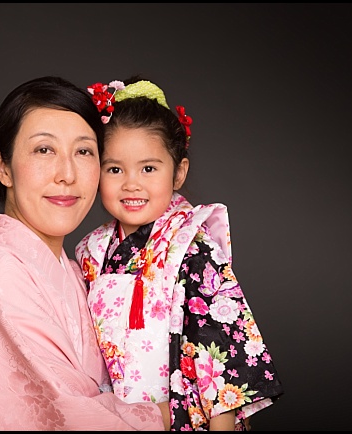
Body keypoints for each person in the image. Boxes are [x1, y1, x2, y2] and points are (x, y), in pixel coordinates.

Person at [0, 76, 171, 430]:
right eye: (44, 150)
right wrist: (175, 414)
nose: (67, 174)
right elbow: (59, 418)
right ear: (3, 167)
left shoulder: (78, 269)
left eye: (83, 152)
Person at [76, 77, 284, 430]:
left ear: (178, 172)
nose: (131, 183)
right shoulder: (92, 251)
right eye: (115, 169)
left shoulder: (192, 247)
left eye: (149, 168)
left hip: (184, 417)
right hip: (116, 418)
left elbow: (218, 352)